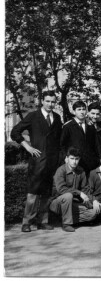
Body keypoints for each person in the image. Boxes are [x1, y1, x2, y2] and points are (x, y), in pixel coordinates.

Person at [11, 90, 63, 232]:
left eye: (53, 101)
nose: (50, 104)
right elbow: (15, 132)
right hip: (37, 160)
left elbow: (59, 140)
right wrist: (28, 147)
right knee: (32, 192)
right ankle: (27, 222)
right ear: (42, 101)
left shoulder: (57, 118)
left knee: (46, 192)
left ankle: (43, 221)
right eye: (48, 101)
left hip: (52, 161)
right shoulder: (33, 116)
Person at [49, 147, 98, 232]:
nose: (74, 161)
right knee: (68, 195)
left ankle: (65, 218)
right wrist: (79, 193)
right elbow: (61, 189)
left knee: (93, 213)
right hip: (57, 203)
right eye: (72, 159)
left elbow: (86, 189)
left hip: (72, 203)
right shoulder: (61, 170)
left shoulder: (81, 171)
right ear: (66, 159)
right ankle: (66, 224)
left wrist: (94, 201)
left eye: (77, 159)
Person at [60, 101, 101, 176]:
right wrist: (66, 157)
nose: (82, 112)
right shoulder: (68, 126)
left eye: (83, 109)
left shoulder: (90, 125)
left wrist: (99, 158)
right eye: (79, 109)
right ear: (74, 111)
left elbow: (96, 144)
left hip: (90, 162)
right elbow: (62, 144)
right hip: (75, 161)